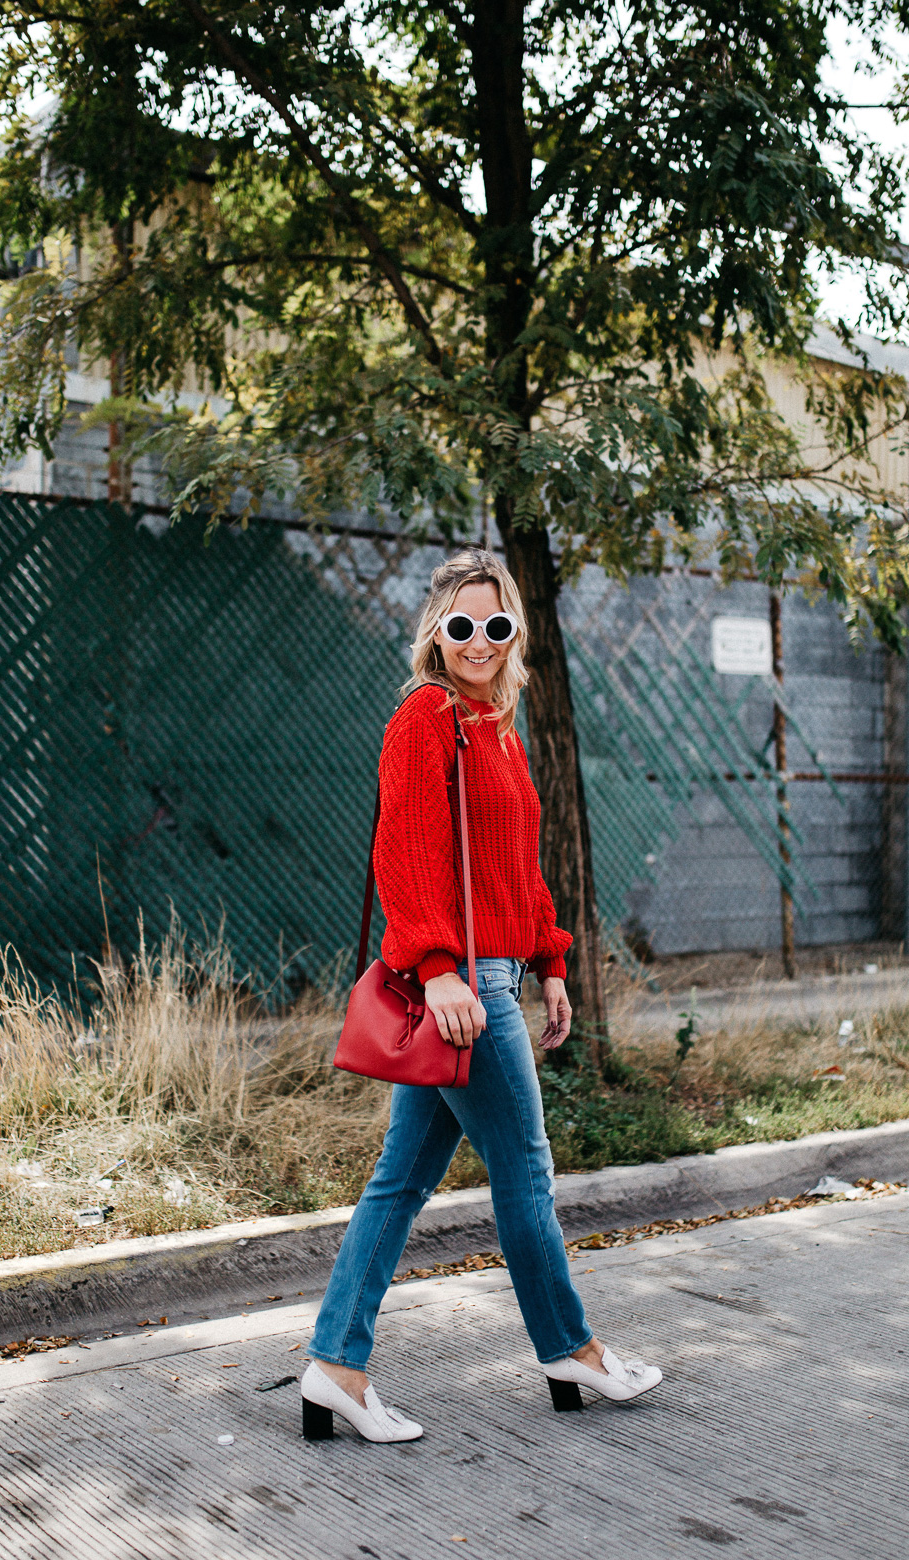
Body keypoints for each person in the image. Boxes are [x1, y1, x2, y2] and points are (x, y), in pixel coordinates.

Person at [300, 548, 662, 1443]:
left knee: (398, 1184)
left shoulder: (498, 727)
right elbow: (406, 854)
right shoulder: (425, 718)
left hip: (496, 973)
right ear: (436, 630)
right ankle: (569, 1350)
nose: (477, 641)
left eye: (494, 626)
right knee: (527, 1169)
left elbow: (515, 866)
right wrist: (440, 969)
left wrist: (549, 960)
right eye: (460, 625)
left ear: (513, 633)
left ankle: (333, 1367)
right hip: (464, 991)